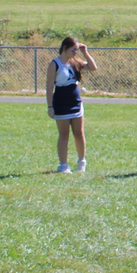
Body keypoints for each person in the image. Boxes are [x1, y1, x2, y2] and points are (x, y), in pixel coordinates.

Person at [46, 37, 97, 173]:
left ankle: (81, 162)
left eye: (76, 49)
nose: (75, 52)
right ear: (65, 48)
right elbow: (49, 86)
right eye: (73, 49)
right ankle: (63, 165)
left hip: (75, 101)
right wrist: (50, 107)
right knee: (64, 134)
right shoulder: (54, 64)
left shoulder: (75, 62)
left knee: (79, 133)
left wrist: (85, 52)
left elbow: (93, 68)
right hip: (61, 102)